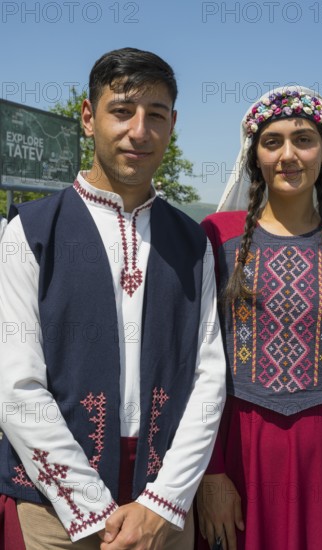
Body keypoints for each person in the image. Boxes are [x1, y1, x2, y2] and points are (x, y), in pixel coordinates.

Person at [0, 47, 226, 549]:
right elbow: (16, 386)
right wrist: (92, 507)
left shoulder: (193, 243)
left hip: (164, 506)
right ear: (88, 117)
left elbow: (209, 377)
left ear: (172, 125)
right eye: (122, 110)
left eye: (156, 115)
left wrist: (160, 503)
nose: (139, 131)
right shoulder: (31, 232)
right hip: (55, 510)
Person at [196, 86, 322, 550]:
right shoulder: (217, 237)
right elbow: (196, 362)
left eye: (303, 139)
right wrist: (211, 473)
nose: (288, 154)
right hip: (240, 451)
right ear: (255, 157)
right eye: (272, 141)